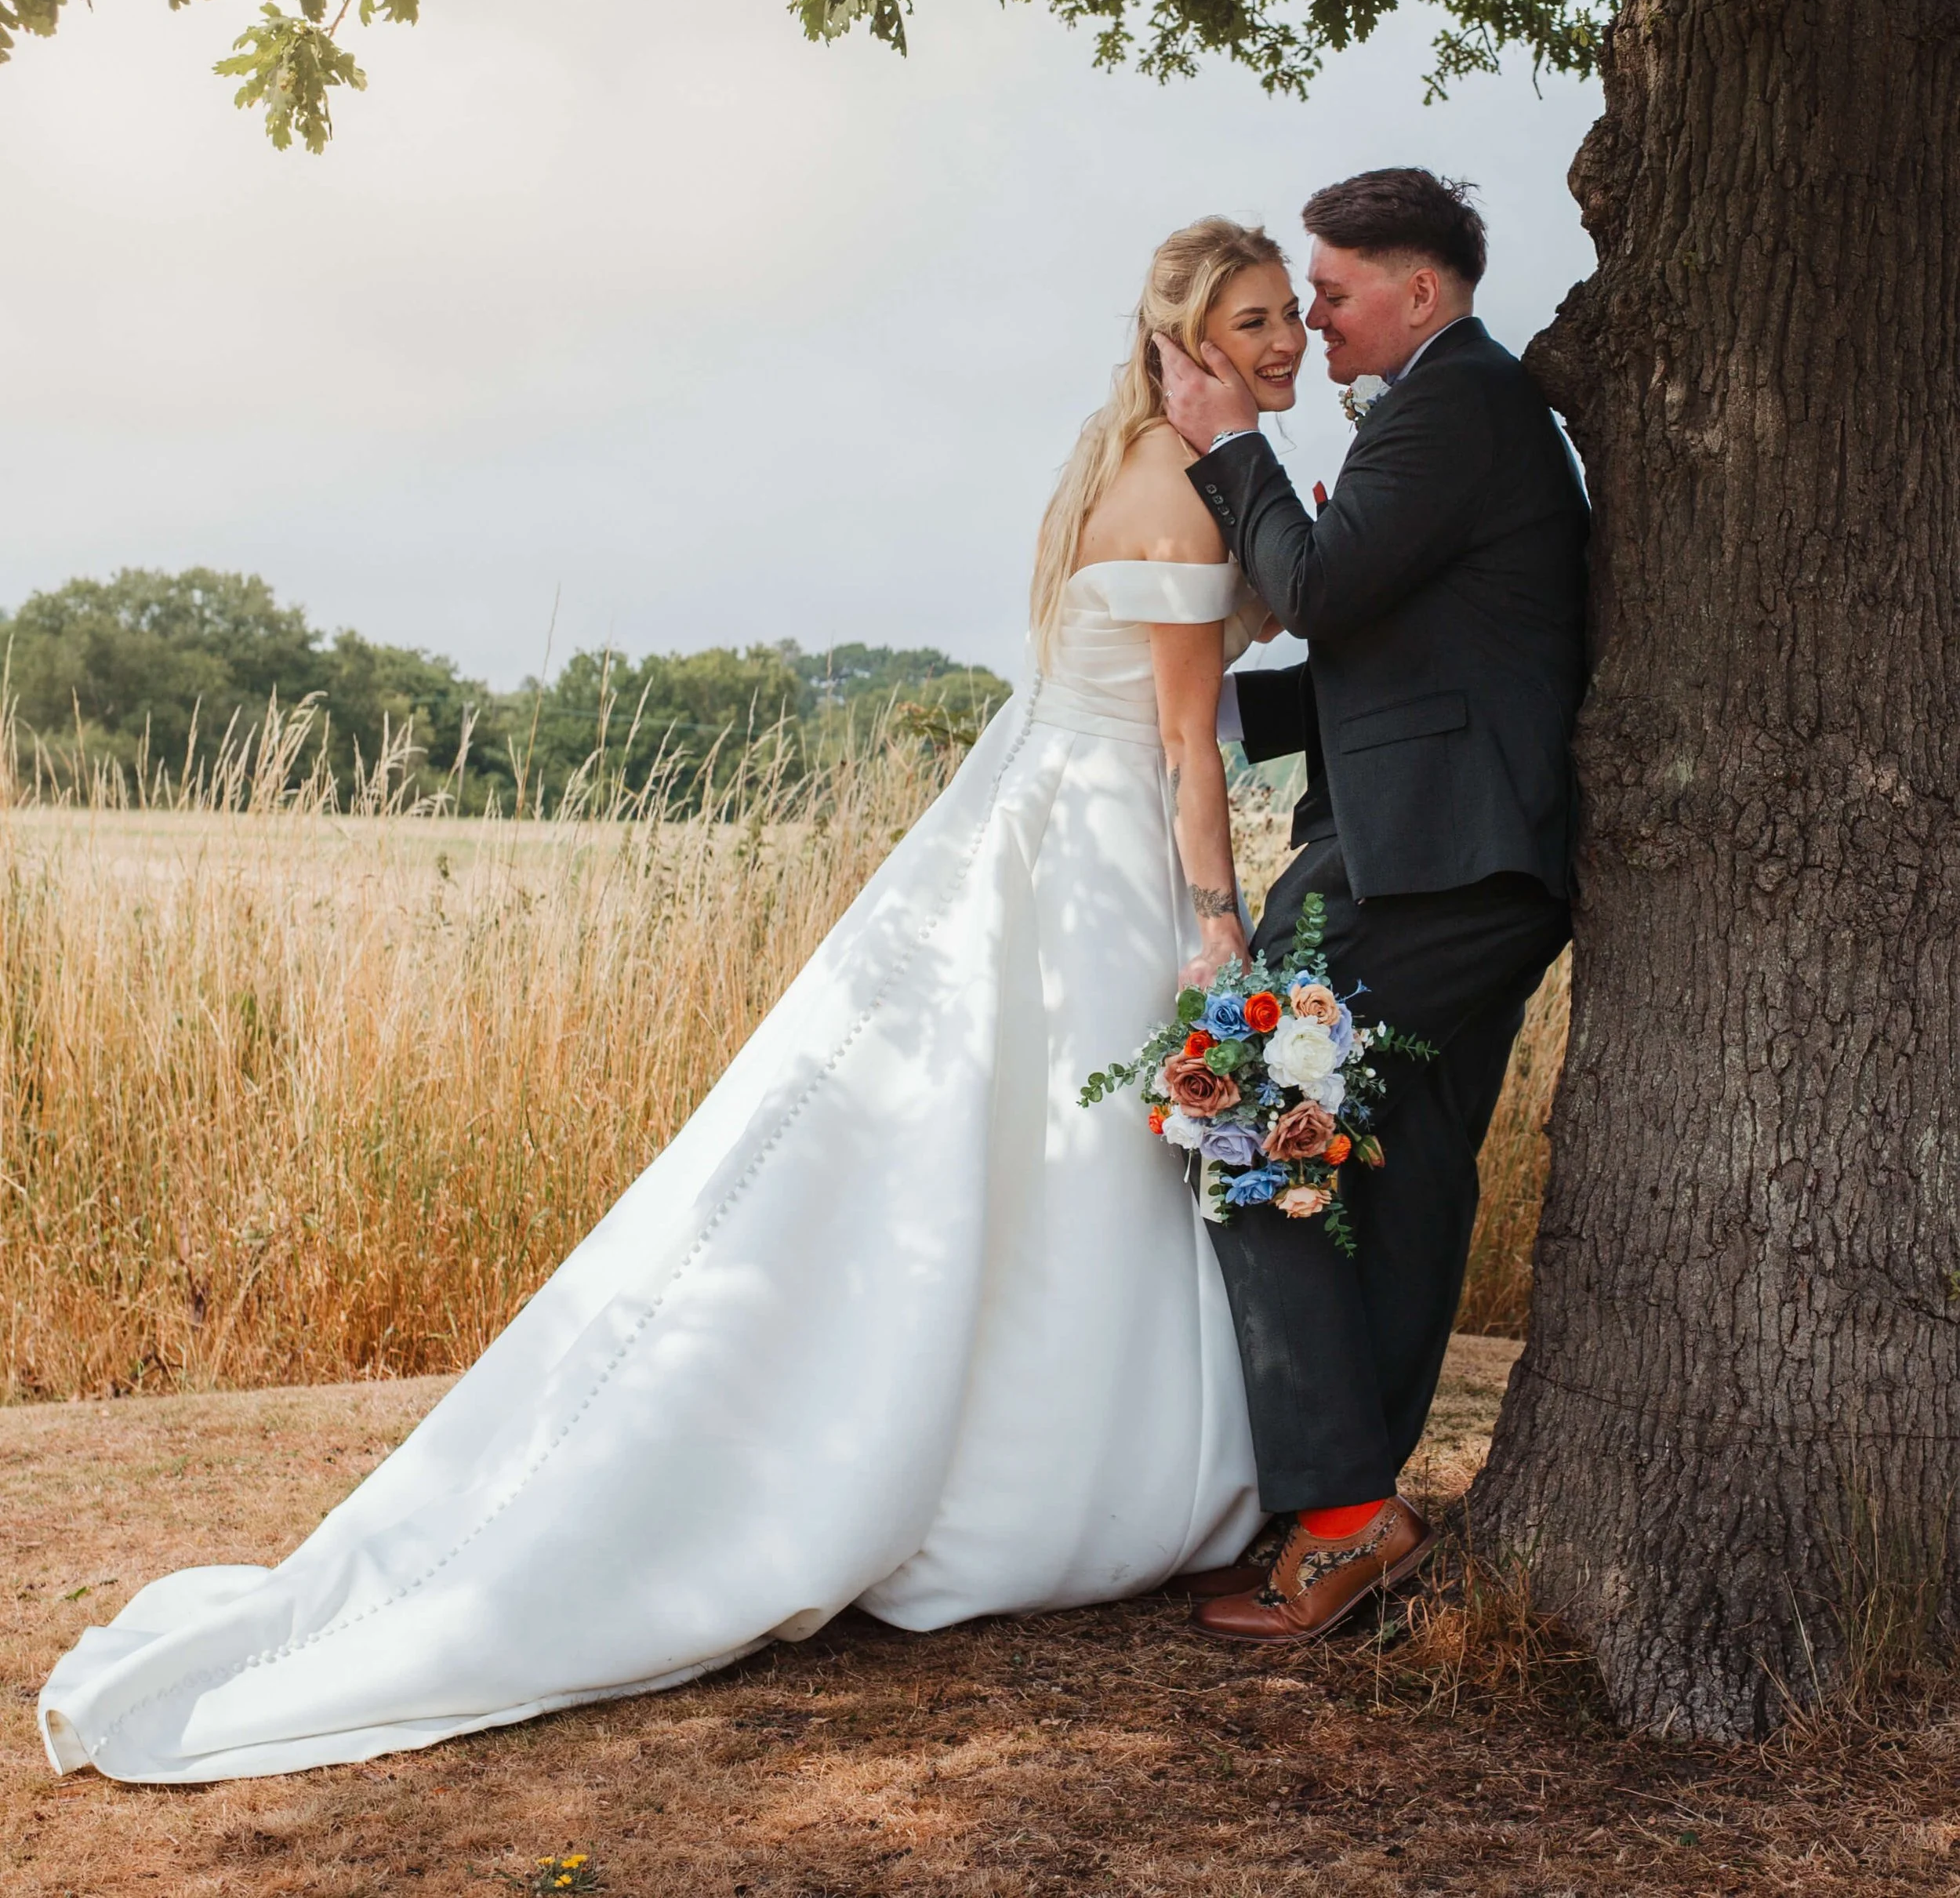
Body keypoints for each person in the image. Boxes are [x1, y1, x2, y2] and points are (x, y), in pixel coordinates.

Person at [41, 216, 1298, 1784]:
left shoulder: (1101, 473)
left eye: (1290, 316)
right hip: (1104, 851)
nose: (1285, 339)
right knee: (1059, 1159)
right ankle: (1039, 1480)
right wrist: (1218, 937)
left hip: (1023, 815)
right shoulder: (1179, 498)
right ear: (1186, 335)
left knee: (1023, 1157)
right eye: (1253, 318)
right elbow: (1190, 753)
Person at [1153, 167, 1589, 1646]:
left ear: (1419, 289)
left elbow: (1330, 591)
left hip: (1431, 859)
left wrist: (1227, 451)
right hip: (1463, 854)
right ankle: (1354, 1513)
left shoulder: (1457, 404)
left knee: (1239, 1111)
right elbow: (1411, 646)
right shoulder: (1451, 406)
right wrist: (1195, 722)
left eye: (1332, 294)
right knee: (1401, 1170)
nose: (1315, 324)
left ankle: (1342, 1510)